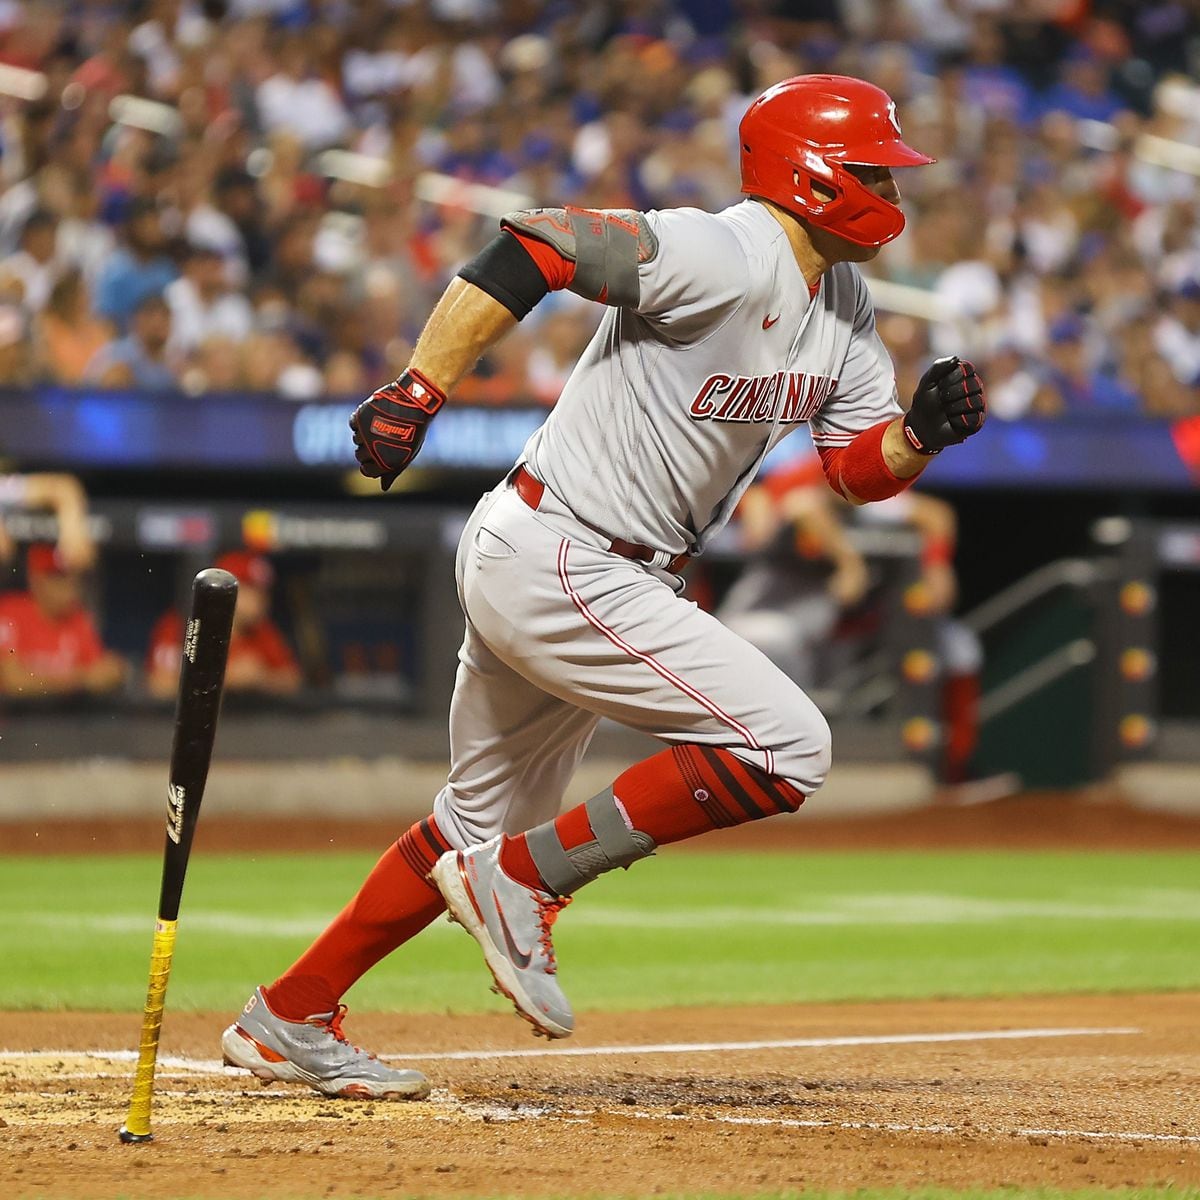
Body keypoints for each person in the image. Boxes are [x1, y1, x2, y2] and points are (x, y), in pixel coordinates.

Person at [220, 75, 986, 1101]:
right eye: (876, 169)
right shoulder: (721, 250)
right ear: (814, 175)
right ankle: (530, 884)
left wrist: (918, 439)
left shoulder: (842, 306)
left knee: (470, 827)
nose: (893, 187)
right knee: (789, 746)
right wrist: (420, 387)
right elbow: (532, 242)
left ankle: (289, 1014)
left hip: (571, 561)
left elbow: (853, 471)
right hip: (566, 553)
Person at [145, 550, 301, 701]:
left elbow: (293, 681)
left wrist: (262, 678)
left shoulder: (262, 630)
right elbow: (159, 687)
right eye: (250, 589)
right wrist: (225, 679)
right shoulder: (184, 623)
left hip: (245, 723)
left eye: (262, 591)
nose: (259, 599)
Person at [0, 543, 126, 699]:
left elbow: (105, 673)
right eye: (57, 577)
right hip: (15, 718)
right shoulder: (10, 612)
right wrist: (78, 680)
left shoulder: (77, 618)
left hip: (63, 720)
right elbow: (14, 682)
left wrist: (110, 671)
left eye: (70, 576)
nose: (68, 586)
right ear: (35, 579)